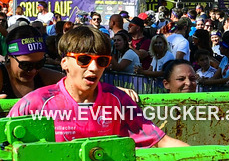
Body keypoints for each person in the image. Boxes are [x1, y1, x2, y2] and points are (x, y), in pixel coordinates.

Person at [9, 27, 187, 148]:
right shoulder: (35, 103)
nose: (94, 68)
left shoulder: (117, 100)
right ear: (64, 62)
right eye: (84, 60)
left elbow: (160, 141)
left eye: (102, 61)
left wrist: (211, 157)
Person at [0, 26, 64, 99]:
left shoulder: (52, 79)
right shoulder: (2, 78)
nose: (33, 71)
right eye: (26, 65)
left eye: (39, 64)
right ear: (9, 56)